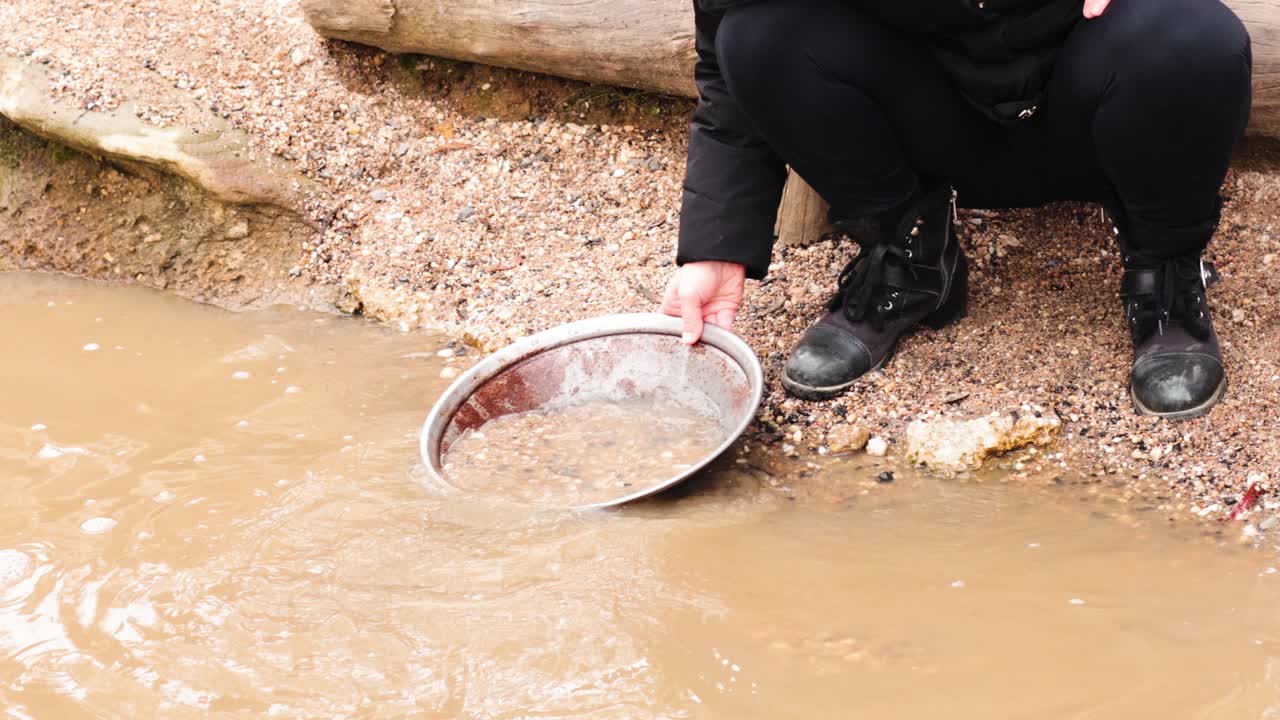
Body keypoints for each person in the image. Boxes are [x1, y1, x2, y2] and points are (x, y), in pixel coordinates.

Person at [660, 0, 1253, 420]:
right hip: (932, 124)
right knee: (757, 34)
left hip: (1091, 100)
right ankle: (911, 259)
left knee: (1194, 37)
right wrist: (717, 248)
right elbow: (725, 72)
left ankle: (1167, 270)